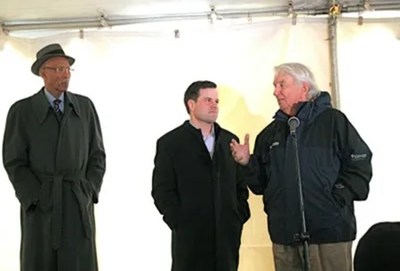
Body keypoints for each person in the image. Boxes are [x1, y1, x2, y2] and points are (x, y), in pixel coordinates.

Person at [230, 62, 372, 271]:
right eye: (275, 86)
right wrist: (247, 162)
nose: (275, 92)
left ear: (304, 88)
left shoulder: (333, 121)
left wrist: (337, 197)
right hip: (284, 236)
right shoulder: (269, 135)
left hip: (329, 233)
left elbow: (359, 162)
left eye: (282, 84)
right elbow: (260, 185)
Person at [2, 43, 106, 271]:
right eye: (58, 69)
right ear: (43, 72)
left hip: (77, 201)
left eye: (68, 69)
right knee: (41, 260)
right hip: (42, 205)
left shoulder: (85, 107)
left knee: (78, 261)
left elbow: (97, 155)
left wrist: (88, 190)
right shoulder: (22, 111)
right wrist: (35, 197)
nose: (65, 75)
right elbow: (13, 160)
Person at [151, 80, 250, 271]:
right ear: (191, 104)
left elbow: (240, 186)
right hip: (190, 239)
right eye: (208, 100)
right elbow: (162, 190)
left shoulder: (230, 141)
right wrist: (178, 220)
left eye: (217, 101)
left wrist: (238, 216)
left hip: (226, 238)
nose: (214, 105)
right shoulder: (170, 143)